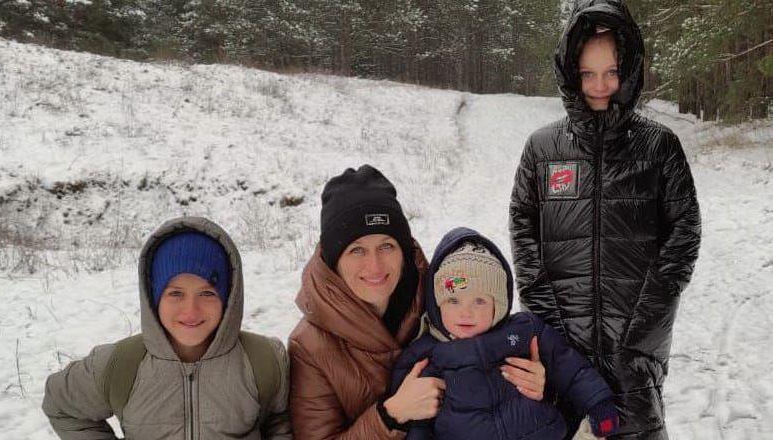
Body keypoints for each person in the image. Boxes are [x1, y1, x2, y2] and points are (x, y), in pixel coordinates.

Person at [509, 1, 701, 438]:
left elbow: (684, 233)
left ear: (629, 69)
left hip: (635, 350)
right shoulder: (542, 148)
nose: (600, 86)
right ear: (570, 72)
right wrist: (546, 327)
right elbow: (524, 231)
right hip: (561, 354)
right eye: (588, 73)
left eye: (612, 72)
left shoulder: (659, 147)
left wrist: (644, 329)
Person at [288, 165, 547, 440]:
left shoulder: (442, 295)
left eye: (386, 245)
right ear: (333, 261)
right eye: (356, 250)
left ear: (404, 249)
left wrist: (531, 380)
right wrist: (390, 415)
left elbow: (491, 317)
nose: (374, 265)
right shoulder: (310, 346)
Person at [42, 217, 291, 439]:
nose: (191, 310)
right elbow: (61, 406)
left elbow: (280, 419)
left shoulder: (266, 361)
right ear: (153, 298)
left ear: (228, 298)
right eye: (175, 294)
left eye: (207, 293)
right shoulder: (117, 366)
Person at [390, 227, 618, 439]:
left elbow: (568, 366)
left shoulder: (523, 330)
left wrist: (598, 403)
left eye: (479, 301)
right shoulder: (426, 354)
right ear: (438, 305)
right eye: (453, 300)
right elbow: (418, 423)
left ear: (497, 305)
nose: (465, 312)